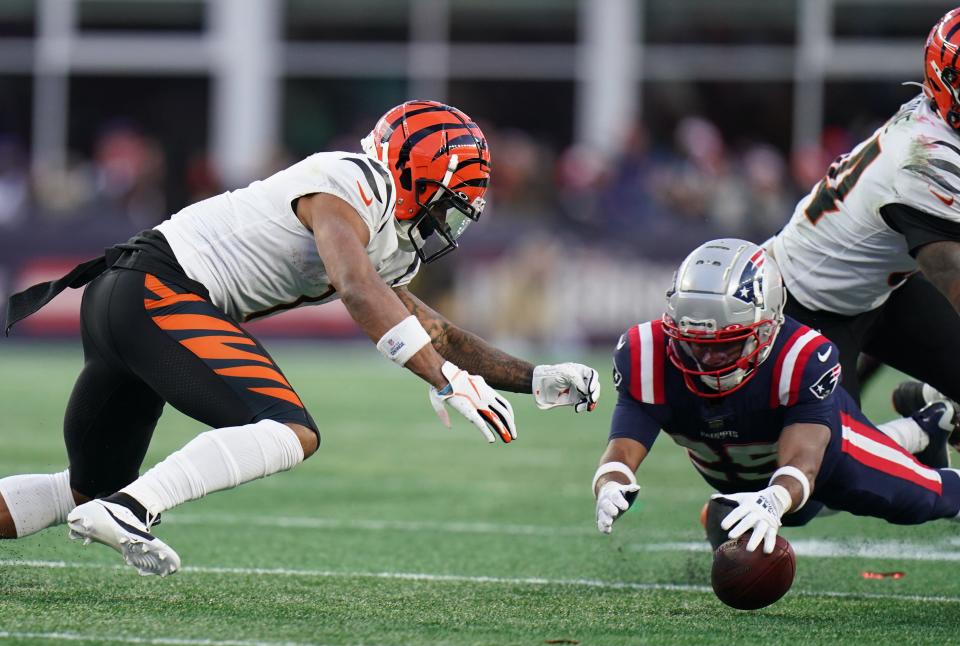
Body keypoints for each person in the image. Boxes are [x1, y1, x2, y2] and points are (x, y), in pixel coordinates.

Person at [0, 100, 601, 576]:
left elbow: (434, 329)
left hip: (124, 297)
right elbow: (356, 288)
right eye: (450, 202)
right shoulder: (353, 179)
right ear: (416, 175)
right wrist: (444, 381)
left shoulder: (382, 230)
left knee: (83, 486)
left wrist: (535, 378)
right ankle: (131, 510)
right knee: (290, 428)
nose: (451, 219)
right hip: (157, 289)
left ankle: (113, 501)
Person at [591, 239, 960, 553]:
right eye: (693, 344)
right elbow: (623, 448)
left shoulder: (800, 357)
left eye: (726, 345)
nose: (706, 359)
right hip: (737, 475)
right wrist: (610, 481)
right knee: (757, 522)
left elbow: (804, 462)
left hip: (826, 462)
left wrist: (774, 499)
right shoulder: (646, 354)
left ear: (767, 327)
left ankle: (924, 429)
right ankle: (925, 425)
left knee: (928, 499)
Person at [764, 7, 960, 437]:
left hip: (881, 287)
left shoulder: (938, 125)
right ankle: (926, 427)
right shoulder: (928, 165)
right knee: (825, 478)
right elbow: (953, 281)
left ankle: (926, 409)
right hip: (802, 306)